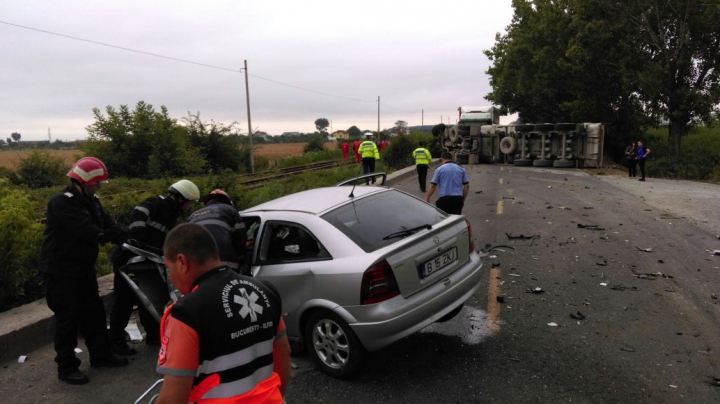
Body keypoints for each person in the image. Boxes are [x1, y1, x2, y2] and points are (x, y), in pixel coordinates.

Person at [156, 223, 291, 404]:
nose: (170, 276)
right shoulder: (264, 289)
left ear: (182, 262)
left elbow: (173, 398)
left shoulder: (186, 313)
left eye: (168, 267)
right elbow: (283, 351)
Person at [39, 157, 129, 385]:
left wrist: (127, 236)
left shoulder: (91, 201)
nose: (98, 187)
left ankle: (101, 355)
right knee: (67, 319)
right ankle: (67, 367)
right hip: (61, 271)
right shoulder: (62, 201)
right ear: (83, 181)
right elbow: (86, 230)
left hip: (82, 268)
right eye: (95, 183)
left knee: (94, 313)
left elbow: (107, 224)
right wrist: (108, 236)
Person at [108, 179, 200, 355]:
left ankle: (153, 335)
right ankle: (116, 341)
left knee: (148, 297)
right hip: (129, 258)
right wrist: (139, 238)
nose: (188, 207)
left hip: (146, 259)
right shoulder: (156, 202)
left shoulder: (171, 214)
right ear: (181, 198)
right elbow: (138, 216)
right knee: (124, 299)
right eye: (189, 203)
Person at [187, 189, 247, 274]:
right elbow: (240, 238)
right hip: (225, 264)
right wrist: (243, 255)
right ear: (227, 200)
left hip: (197, 264)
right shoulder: (230, 210)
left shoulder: (193, 215)